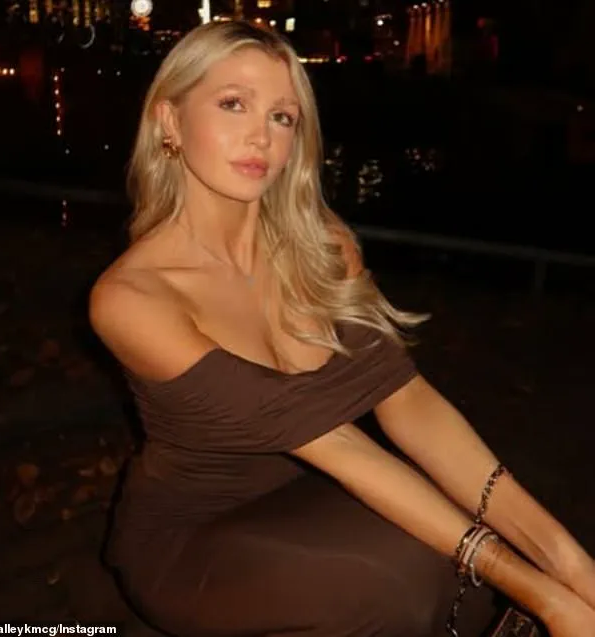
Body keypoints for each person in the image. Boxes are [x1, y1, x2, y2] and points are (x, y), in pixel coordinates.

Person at [89, 20, 595, 637]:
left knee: (458, 565)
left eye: (283, 117)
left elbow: (407, 399)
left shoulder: (322, 246)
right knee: (398, 586)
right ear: (169, 121)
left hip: (311, 495)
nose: (261, 136)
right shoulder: (132, 299)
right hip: (193, 539)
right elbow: (342, 448)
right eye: (233, 104)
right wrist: (543, 596)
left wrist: (571, 565)